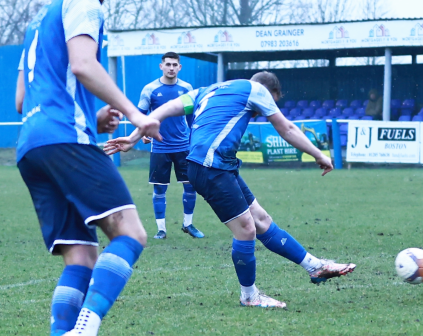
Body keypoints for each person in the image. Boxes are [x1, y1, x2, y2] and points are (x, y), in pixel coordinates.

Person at [16, 0, 161, 336]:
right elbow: (83, 65)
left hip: (31, 144)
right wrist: (134, 114)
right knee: (131, 231)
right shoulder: (84, 3)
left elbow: (23, 97)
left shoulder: (38, 21)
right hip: (63, 139)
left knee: (80, 255)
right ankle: (84, 334)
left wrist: (92, 115)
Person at [107, 72, 355, 309]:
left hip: (217, 164)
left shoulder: (206, 91)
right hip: (209, 166)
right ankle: (249, 296)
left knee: (261, 219)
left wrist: (134, 137)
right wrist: (318, 154)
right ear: (271, 91)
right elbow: (286, 128)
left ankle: (315, 266)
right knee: (246, 229)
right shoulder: (256, 89)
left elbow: (163, 110)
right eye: (271, 102)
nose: (264, 110)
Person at [138, 52, 204, 240]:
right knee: (159, 189)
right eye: (168, 64)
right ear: (161, 66)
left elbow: (192, 117)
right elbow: (140, 113)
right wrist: (142, 132)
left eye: (175, 64)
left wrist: (195, 137)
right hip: (159, 147)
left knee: (191, 185)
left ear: (180, 67)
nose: (171, 68)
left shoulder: (187, 88)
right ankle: (161, 230)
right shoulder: (149, 89)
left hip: (183, 146)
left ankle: (188, 224)